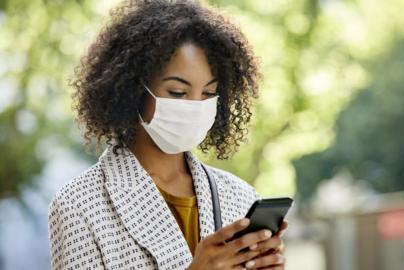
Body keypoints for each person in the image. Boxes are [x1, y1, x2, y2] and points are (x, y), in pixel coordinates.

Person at [47, 0, 289, 269]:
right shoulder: (78, 205)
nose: (196, 106)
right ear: (133, 89)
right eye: (177, 92)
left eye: (208, 94)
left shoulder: (240, 197)